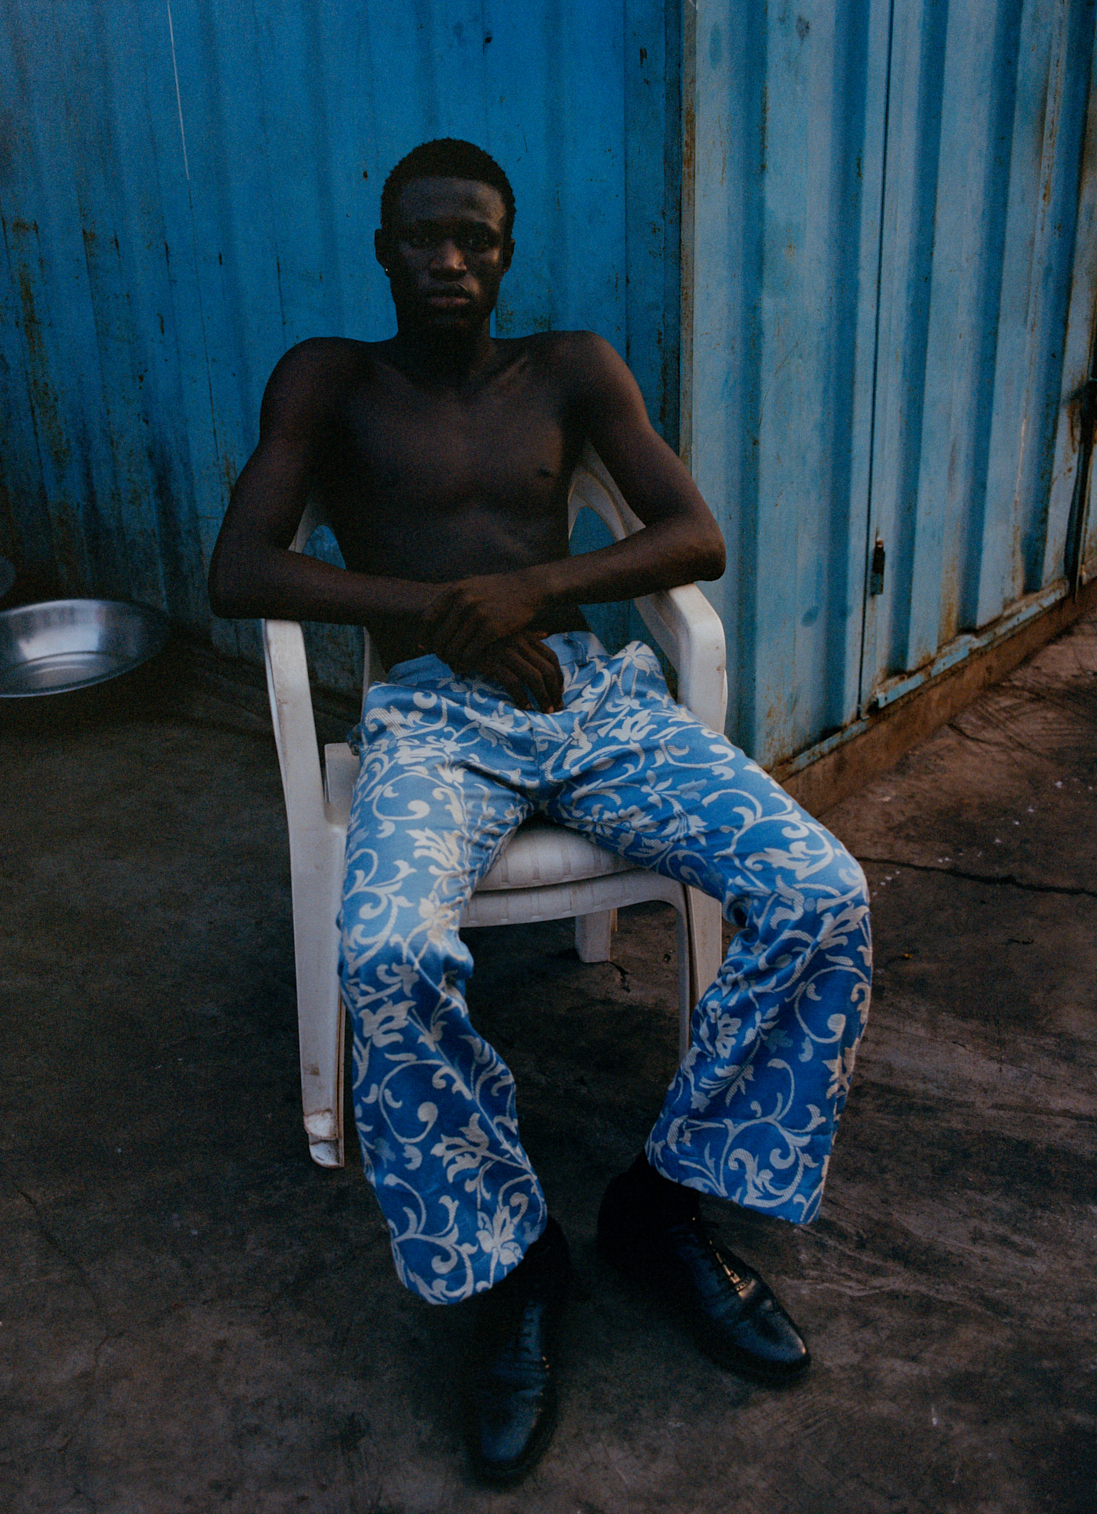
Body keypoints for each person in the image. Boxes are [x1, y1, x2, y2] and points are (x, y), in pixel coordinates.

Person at [209, 138, 872, 1485]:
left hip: (593, 699)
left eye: (477, 239)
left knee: (823, 890)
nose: (450, 260)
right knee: (386, 951)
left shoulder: (569, 367)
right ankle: (509, 1264)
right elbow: (241, 567)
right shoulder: (329, 378)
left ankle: (665, 1201)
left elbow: (694, 537)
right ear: (382, 247)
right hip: (431, 724)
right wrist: (448, 617)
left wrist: (535, 591)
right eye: (423, 237)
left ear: (507, 252)